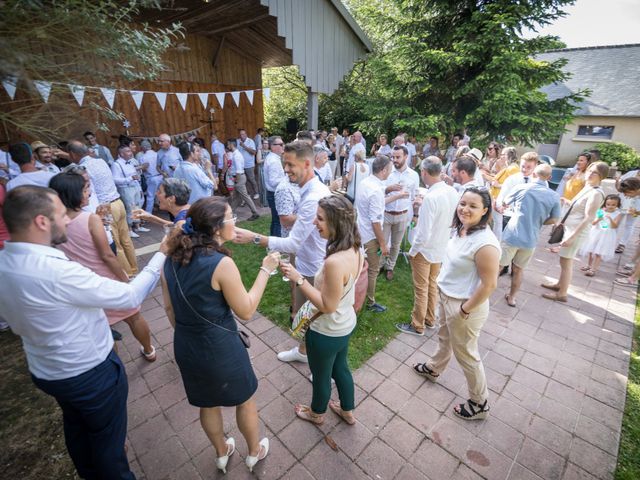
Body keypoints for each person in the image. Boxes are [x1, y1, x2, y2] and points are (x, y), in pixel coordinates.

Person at [0, 185, 168, 479]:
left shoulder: (5, 263)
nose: (68, 220)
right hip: (87, 372)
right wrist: (162, 253)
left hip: (46, 370)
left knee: (78, 431)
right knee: (108, 445)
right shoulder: (53, 271)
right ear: (41, 221)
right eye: (62, 215)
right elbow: (129, 297)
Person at [160, 197, 276, 474]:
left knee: (207, 403)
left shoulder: (170, 259)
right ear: (215, 227)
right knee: (245, 399)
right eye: (231, 216)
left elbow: (168, 307)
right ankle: (254, 452)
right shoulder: (220, 263)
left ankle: (222, 453)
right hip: (220, 347)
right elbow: (246, 310)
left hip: (186, 344)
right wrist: (266, 270)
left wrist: (190, 335)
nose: (235, 220)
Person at [234, 141, 330, 363]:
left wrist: (254, 237)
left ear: (307, 163)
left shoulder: (314, 196)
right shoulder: (308, 189)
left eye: (289, 164)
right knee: (301, 315)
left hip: (313, 267)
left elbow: (294, 243)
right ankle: (304, 352)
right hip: (306, 261)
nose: (285, 169)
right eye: (283, 163)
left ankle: (323, 369)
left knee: (314, 320)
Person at [412, 187, 500, 420]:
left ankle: (480, 403)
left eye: (473, 206)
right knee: (444, 338)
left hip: (465, 306)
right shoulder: (463, 229)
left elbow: (489, 285)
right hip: (448, 296)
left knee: (467, 355)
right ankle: (434, 368)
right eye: (463, 203)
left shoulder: (486, 244)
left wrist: (463, 310)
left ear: (485, 211)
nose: (465, 209)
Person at [49, 172, 157, 360]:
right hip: (107, 278)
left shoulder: (53, 224)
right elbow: (107, 255)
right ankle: (149, 350)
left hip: (82, 284)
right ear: (72, 193)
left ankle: (114, 363)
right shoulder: (89, 219)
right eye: (84, 189)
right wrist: (125, 279)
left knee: (103, 327)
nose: (88, 193)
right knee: (134, 317)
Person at [280, 195, 363, 426]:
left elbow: (327, 305)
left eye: (320, 219)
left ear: (337, 222)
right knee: (341, 369)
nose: (314, 223)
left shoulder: (334, 262)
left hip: (326, 330)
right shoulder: (356, 247)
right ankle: (347, 411)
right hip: (345, 324)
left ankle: (316, 414)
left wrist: (298, 279)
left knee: (321, 376)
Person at [396, 156, 458, 335]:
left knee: (421, 289)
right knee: (432, 285)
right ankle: (431, 319)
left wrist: (412, 252)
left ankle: (418, 324)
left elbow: (423, 232)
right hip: (441, 247)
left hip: (425, 249)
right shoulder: (451, 192)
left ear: (424, 172)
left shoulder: (430, 198)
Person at [67, 140, 139, 276]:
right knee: (126, 240)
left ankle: (129, 274)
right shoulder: (100, 161)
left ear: (72, 154)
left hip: (105, 206)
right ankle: (134, 269)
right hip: (118, 202)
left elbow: (90, 195)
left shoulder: (83, 169)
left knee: (117, 244)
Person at [542, 162, 609, 302]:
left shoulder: (596, 193)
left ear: (601, 176)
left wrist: (572, 236)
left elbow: (589, 217)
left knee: (567, 262)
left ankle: (562, 293)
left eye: (594, 172)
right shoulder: (588, 187)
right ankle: (559, 285)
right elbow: (579, 207)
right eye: (590, 170)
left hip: (575, 232)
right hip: (570, 228)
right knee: (563, 259)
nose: (590, 174)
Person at [499, 164, 561, 307]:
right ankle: (512, 297)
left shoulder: (521, 188)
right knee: (519, 269)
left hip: (513, 234)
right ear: (550, 178)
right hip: (531, 238)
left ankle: (484, 293)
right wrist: (539, 221)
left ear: (533, 174)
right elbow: (554, 219)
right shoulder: (554, 196)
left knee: (499, 266)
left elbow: (505, 202)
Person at [355, 155, 394, 313]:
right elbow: (375, 221)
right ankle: (370, 302)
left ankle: (359, 297)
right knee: (372, 270)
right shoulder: (376, 190)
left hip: (360, 230)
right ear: (384, 170)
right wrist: (383, 244)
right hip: (370, 236)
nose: (391, 172)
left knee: (360, 268)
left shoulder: (365, 182)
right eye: (390, 169)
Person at [381, 145, 419, 281]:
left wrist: (415, 215)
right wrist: (388, 189)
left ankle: (390, 266)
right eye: (393, 157)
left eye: (398, 157)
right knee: (383, 242)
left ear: (406, 157)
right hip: (386, 213)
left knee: (396, 244)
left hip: (403, 214)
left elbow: (415, 197)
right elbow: (378, 193)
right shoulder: (387, 172)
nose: (395, 160)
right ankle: (380, 265)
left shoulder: (414, 175)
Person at [579, 194, 622, 277]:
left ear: (617, 205)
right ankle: (589, 265)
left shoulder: (618, 214)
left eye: (613, 205)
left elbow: (614, 226)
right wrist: (599, 219)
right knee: (591, 251)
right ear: (605, 203)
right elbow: (593, 223)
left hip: (607, 235)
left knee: (599, 252)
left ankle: (593, 269)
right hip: (596, 232)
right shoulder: (600, 211)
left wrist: (610, 219)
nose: (610, 206)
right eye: (608, 204)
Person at [111, 144, 144, 238]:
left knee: (137, 206)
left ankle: (137, 226)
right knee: (130, 208)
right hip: (126, 188)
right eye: (128, 151)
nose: (131, 153)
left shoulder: (130, 162)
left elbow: (135, 176)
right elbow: (115, 180)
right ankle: (129, 229)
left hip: (135, 186)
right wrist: (129, 179)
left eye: (130, 151)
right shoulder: (116, 164)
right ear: (121, 153)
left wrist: (139, 188)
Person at [489, 146, 519, 239]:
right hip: (497, 197)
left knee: (498, 223)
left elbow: (514, 185)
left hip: (501, 199)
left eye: (503, 154)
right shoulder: (509, 167)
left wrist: (497, 185)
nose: (501, 156)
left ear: (509, 156)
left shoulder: (512, 168)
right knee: (497, 222)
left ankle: (497, 241)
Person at [226, 139, 259, 220]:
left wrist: (236, 180)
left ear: (231, 145)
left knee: (245, 196)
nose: (227, 146)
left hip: (239, 177)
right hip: (239, 177)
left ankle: (255, 213)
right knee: (237, 197)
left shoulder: (236, 155)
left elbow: (238, 170)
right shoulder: (235, 154)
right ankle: (231, 212)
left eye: (228, 144)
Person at [615, 171, 640, 254]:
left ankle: (622, 244)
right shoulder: (632, 173)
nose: (625, 195)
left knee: (630, 224)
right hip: (626, 206)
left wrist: (636, 212)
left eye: (627, 193)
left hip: (636, 205)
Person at [137, 139, 163, 214]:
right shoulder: (157, 154)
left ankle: (148, 213)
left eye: (141, 147)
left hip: (151, 178)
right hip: (161, 176)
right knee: (163, 193)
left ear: (143, 148)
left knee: (150, 197)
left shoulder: (143, 157)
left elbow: (144, 169)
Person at [237, 129, 259, 200]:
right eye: (240, 134)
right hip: (241, 165)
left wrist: (244, 146)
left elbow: (254, 152)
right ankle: (248, 193)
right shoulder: (238, 142)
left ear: (246, 134)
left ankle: (256, 192)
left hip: (249, 165)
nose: (242, 136)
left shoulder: (250, 141)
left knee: (251, 179)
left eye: (243, 134)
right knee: (244, 181)